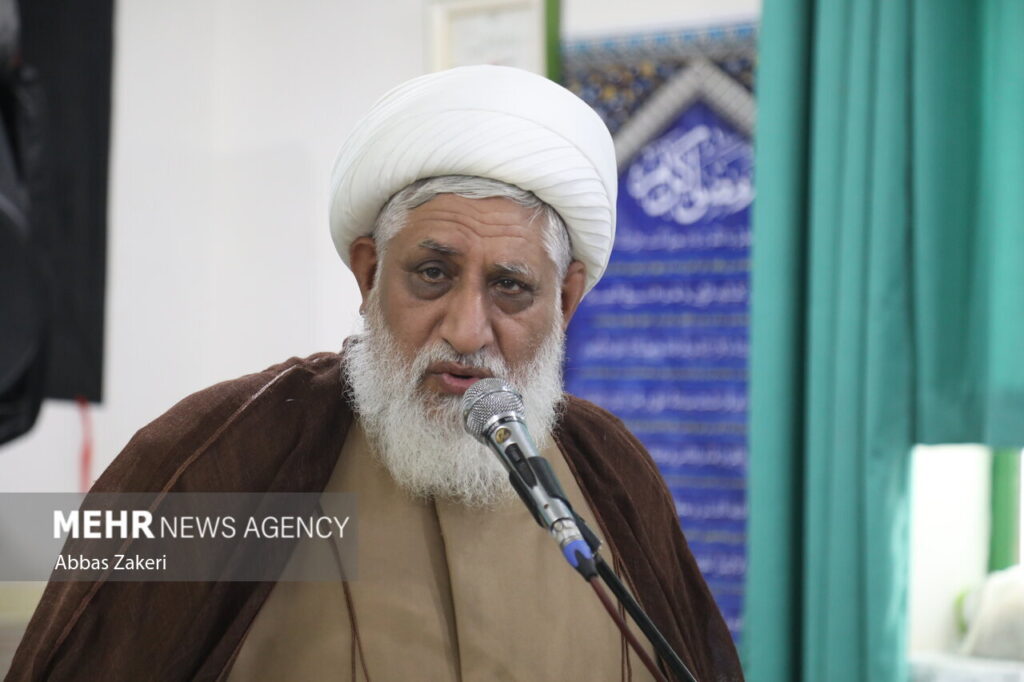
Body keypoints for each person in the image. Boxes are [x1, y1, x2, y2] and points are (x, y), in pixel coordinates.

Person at [8, 66, 743, 682]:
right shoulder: (229, 458)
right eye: (432, 273)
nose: (467, 330)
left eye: (511, 287)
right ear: (368, 273)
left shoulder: (609, 472)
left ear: (567, 300)